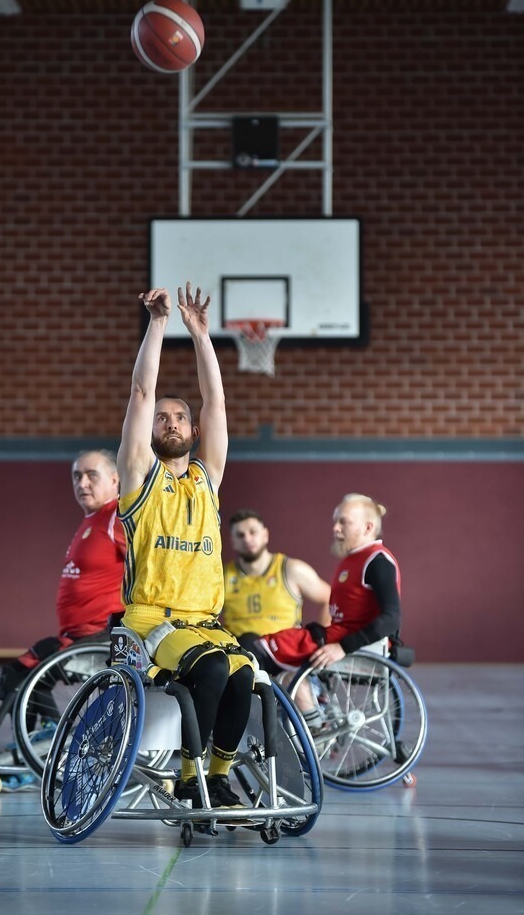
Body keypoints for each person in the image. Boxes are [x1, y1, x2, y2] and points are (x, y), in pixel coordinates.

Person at [117, 282, 255, 809]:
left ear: (193, 429)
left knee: (244, 675)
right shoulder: (138, 477)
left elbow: (217, 399)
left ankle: (215, 779)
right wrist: (158, 325)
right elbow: (140, 393)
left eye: (179, 417)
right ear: (149, 430)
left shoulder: (207, 479)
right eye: (162, 417)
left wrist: (200, 335)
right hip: (152, 623)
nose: (170, 421)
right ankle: (188, 774)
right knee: (215, 668)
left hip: (204, 624)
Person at [247, 494, 402, 725]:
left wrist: (342, 647)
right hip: (338, 635)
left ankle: (313, 727)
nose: (335, 528)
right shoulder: (352, 559)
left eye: (344, 522)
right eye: (335, 521)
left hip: (353, 643)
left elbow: (391, 619)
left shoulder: (377, 560)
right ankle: (309, 717)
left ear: (368, 527)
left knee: (259, 650)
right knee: (273, 657)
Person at [0, 448, 126, 702]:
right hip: (74, 635)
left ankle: (40, 738)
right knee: (16, 675)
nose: (82, 483)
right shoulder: (91, 520)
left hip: (98, 635)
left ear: (114, 479)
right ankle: (41, 736)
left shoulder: (116, 516)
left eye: (91, 475)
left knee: (23, 676)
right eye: (77, 476)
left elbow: (146, 564)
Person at [221, 508, 330, 646]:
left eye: (253, 532)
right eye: (240, 535)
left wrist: (321, 640)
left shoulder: (290, 569)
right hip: (239, 654)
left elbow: (330, 597)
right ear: (233, 541)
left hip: (283, 652)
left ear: (265, 535)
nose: (247, 539)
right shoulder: (222, 576)